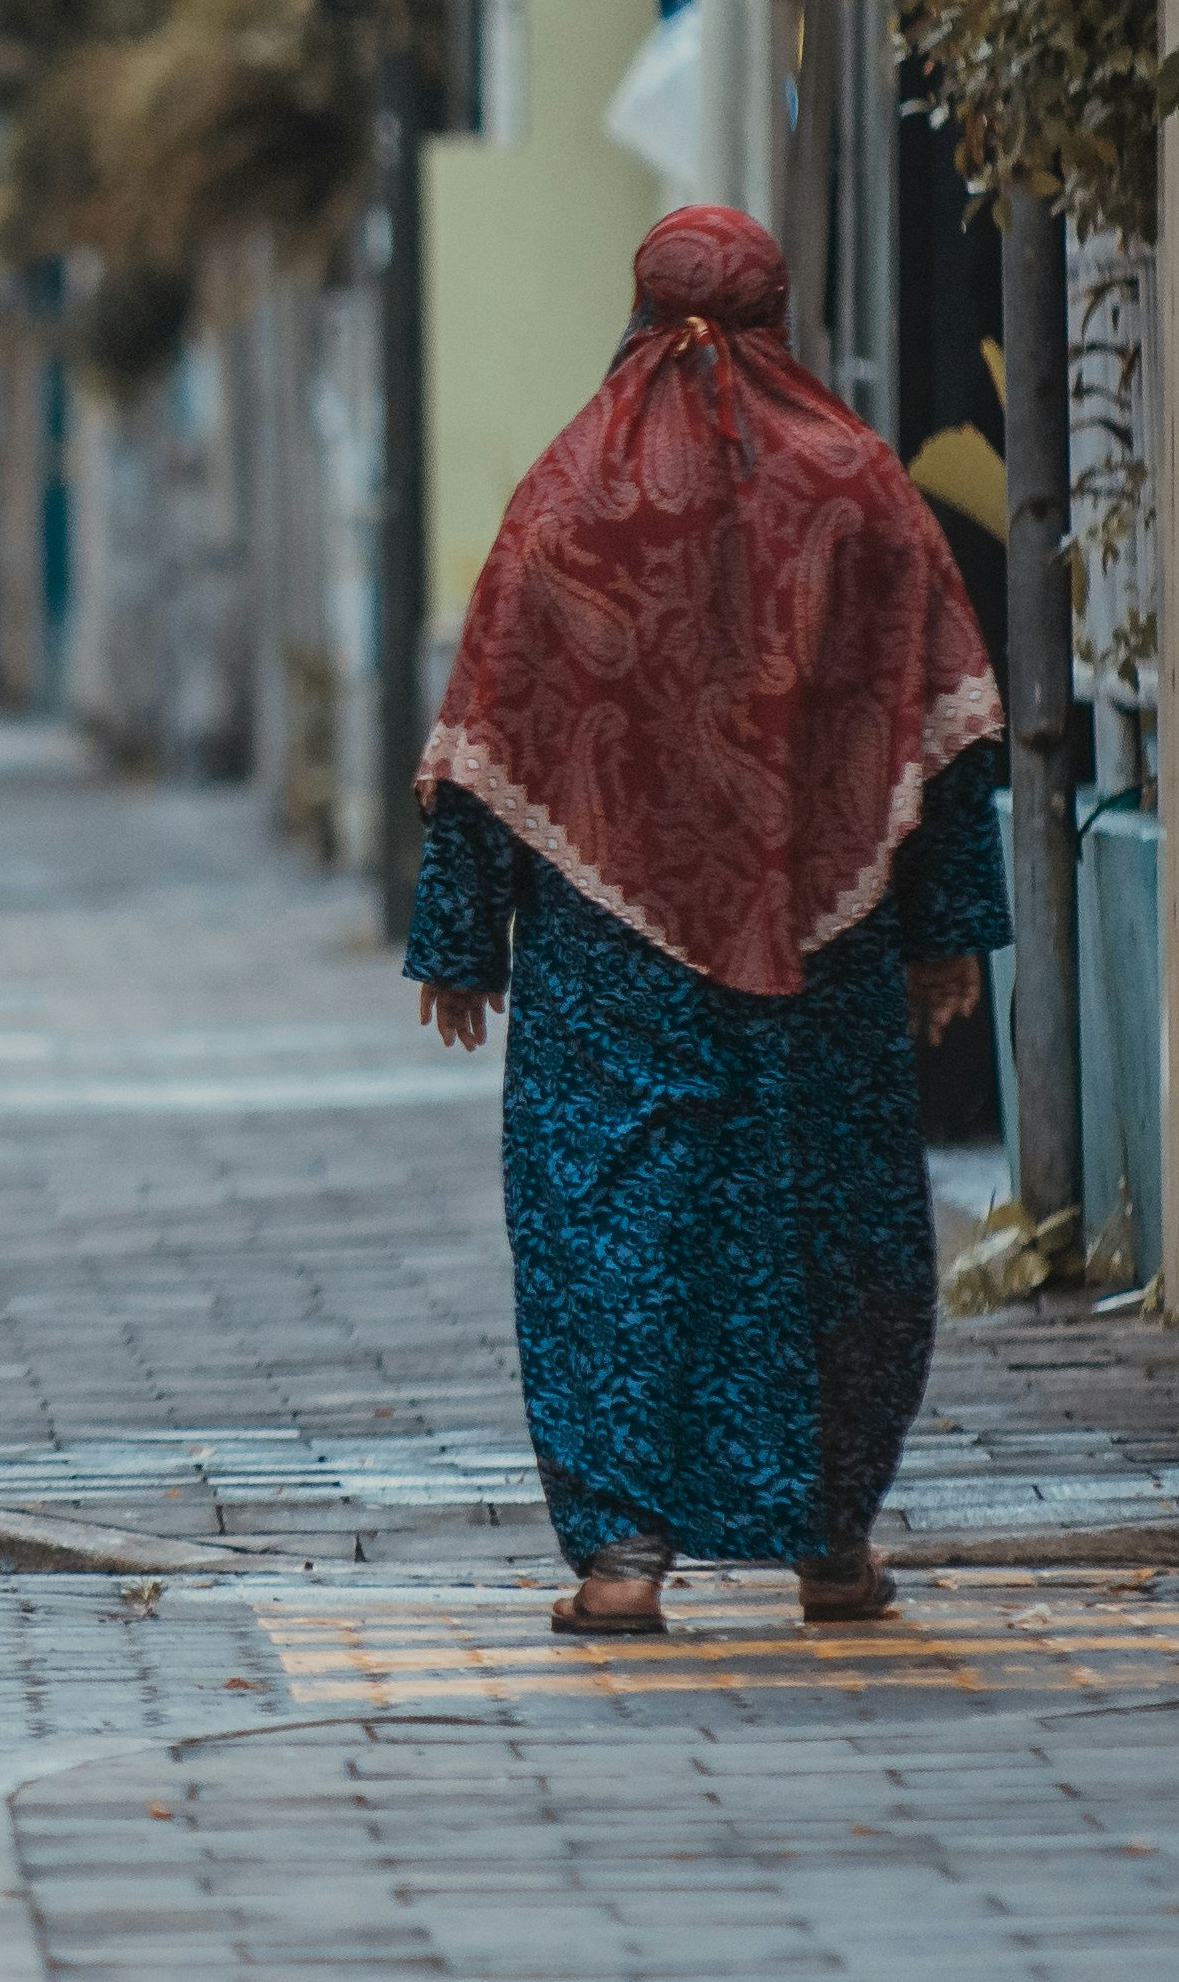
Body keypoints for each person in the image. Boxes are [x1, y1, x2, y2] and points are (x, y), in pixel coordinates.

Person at [405, 204, 1009, 1638]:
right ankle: (833, 1548)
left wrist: (458, 935)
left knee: (611, 1222)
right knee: (835, 1231)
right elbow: (938, 730)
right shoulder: (861, 488)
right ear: (781, 308)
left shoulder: (566, 502)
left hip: (609, 968)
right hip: (825, 958)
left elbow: (496, 713)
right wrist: (943, 932)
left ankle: (622, 1557)